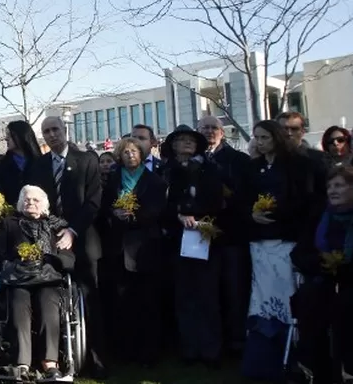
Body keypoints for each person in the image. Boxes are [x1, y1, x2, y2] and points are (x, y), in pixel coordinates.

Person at [29, 116, 107, 378]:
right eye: (46, 131)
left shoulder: (87, 160)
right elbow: (36, 204)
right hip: (49, 242)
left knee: (89, 298)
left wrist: (73, 230)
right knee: (49, 297)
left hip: (84, 240)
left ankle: (95, 360)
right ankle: (52, 358)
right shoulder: (39, 166)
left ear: (65, 130)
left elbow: (94, 201)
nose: (52, 135)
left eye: (55, 130)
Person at [242, 120, 318, 381]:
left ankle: (294, 351)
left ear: (276, 137)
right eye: (256, 137)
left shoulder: (297, 165)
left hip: (288, 240)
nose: (260, 142)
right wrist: (252, 214)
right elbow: (242, 199)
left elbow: (305, 200)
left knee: (289, 295)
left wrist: (277, 212)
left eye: (264, 137)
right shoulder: (253, 167)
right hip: (260, 242)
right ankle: (264, 349)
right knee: (262, 297)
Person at [290, 166, 353, 384]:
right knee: (309, 297)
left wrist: (344, 268)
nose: (332, 190)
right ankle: (315, 370)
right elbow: (299, 254)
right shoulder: (319, 215)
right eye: (329, 186)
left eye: (339, 185)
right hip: (321, 280)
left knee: (350, 303)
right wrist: (322, 263)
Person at [97, 137, 166, 366]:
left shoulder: (153, 180)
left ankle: (149, 352)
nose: (130, 156)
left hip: (144, 245)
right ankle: (125, 350)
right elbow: (105, 204)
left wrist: (134, 216)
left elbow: (157, 209)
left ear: (142, 153)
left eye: (134, 151)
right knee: (122, 301)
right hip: (118, 245)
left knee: (147, 301)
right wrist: (113, 214)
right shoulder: (113, 179)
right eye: (125, 152)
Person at [0, 185, 74, 382]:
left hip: (48, 278)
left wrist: (51, 259)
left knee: (49, 303)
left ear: (45, 205)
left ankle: (50, 363)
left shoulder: (56, 226)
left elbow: (69, 258)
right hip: (18, 278)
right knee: (18, 302)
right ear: (21, 204)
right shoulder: (9, 223)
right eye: (27, 200)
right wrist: (16, 258)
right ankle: (22, 363)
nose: (31, 203)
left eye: (36, 200)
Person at [162, 125, 225, 367]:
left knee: (208, 295)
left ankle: (211, 350)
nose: (187, 143)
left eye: (191, 140)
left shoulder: (210, 169)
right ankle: (189, 349)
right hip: (178, 240)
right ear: (174, 145)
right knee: (184, 296)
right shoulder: (167, 171)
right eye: (181, 140)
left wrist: (200, 218)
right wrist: (178, 216)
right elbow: (161, 204)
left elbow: (218, 200)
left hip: (206, 236)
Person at [198, 115, 252, 353]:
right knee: (207, 293)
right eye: (205, 128)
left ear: (222, 132)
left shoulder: (238, 160)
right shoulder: (193, 160)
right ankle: (212, 343)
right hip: (201, 237)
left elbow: (247, 196)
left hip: (231, 235)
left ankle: (237, 341)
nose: (209, 132)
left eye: (213, 128)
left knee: (235, 290)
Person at [0, 120, 42, 207]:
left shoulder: (40, 162)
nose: (6, 139)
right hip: (11, 215)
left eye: (10, 135)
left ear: (21, 136)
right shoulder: (2, 165)